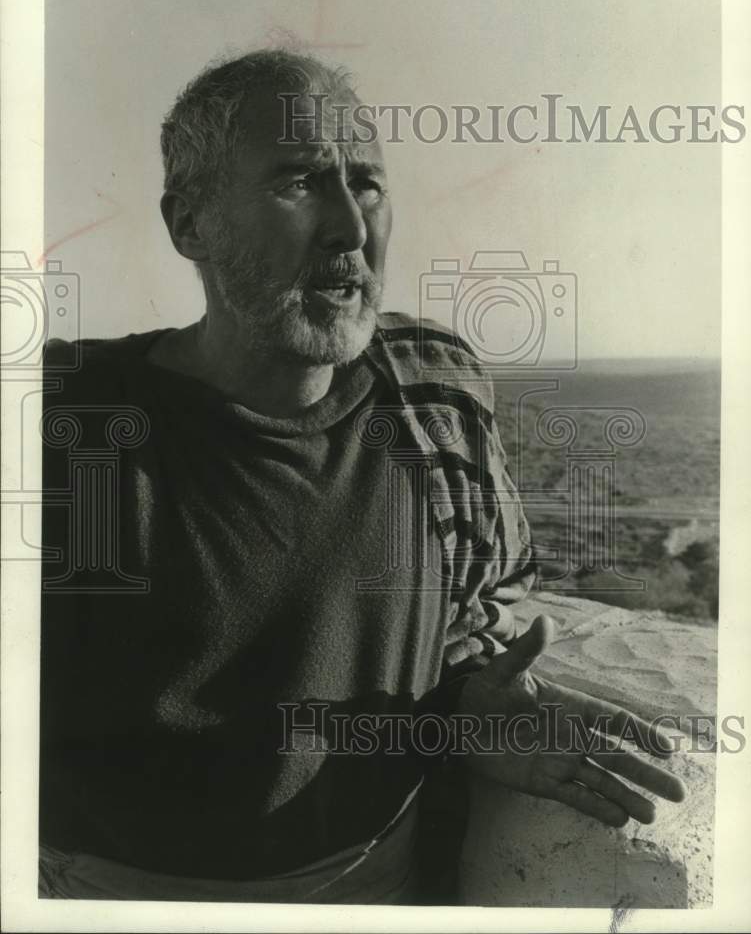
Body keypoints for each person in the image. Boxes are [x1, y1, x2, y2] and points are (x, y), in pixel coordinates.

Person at [39, 49, 685, 904]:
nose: (349, 228)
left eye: (368, 183)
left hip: (382, 892)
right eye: (299, 181)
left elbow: (465, 615)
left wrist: (467, 705)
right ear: (190, 223)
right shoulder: (75, 419)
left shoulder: (433, 392)